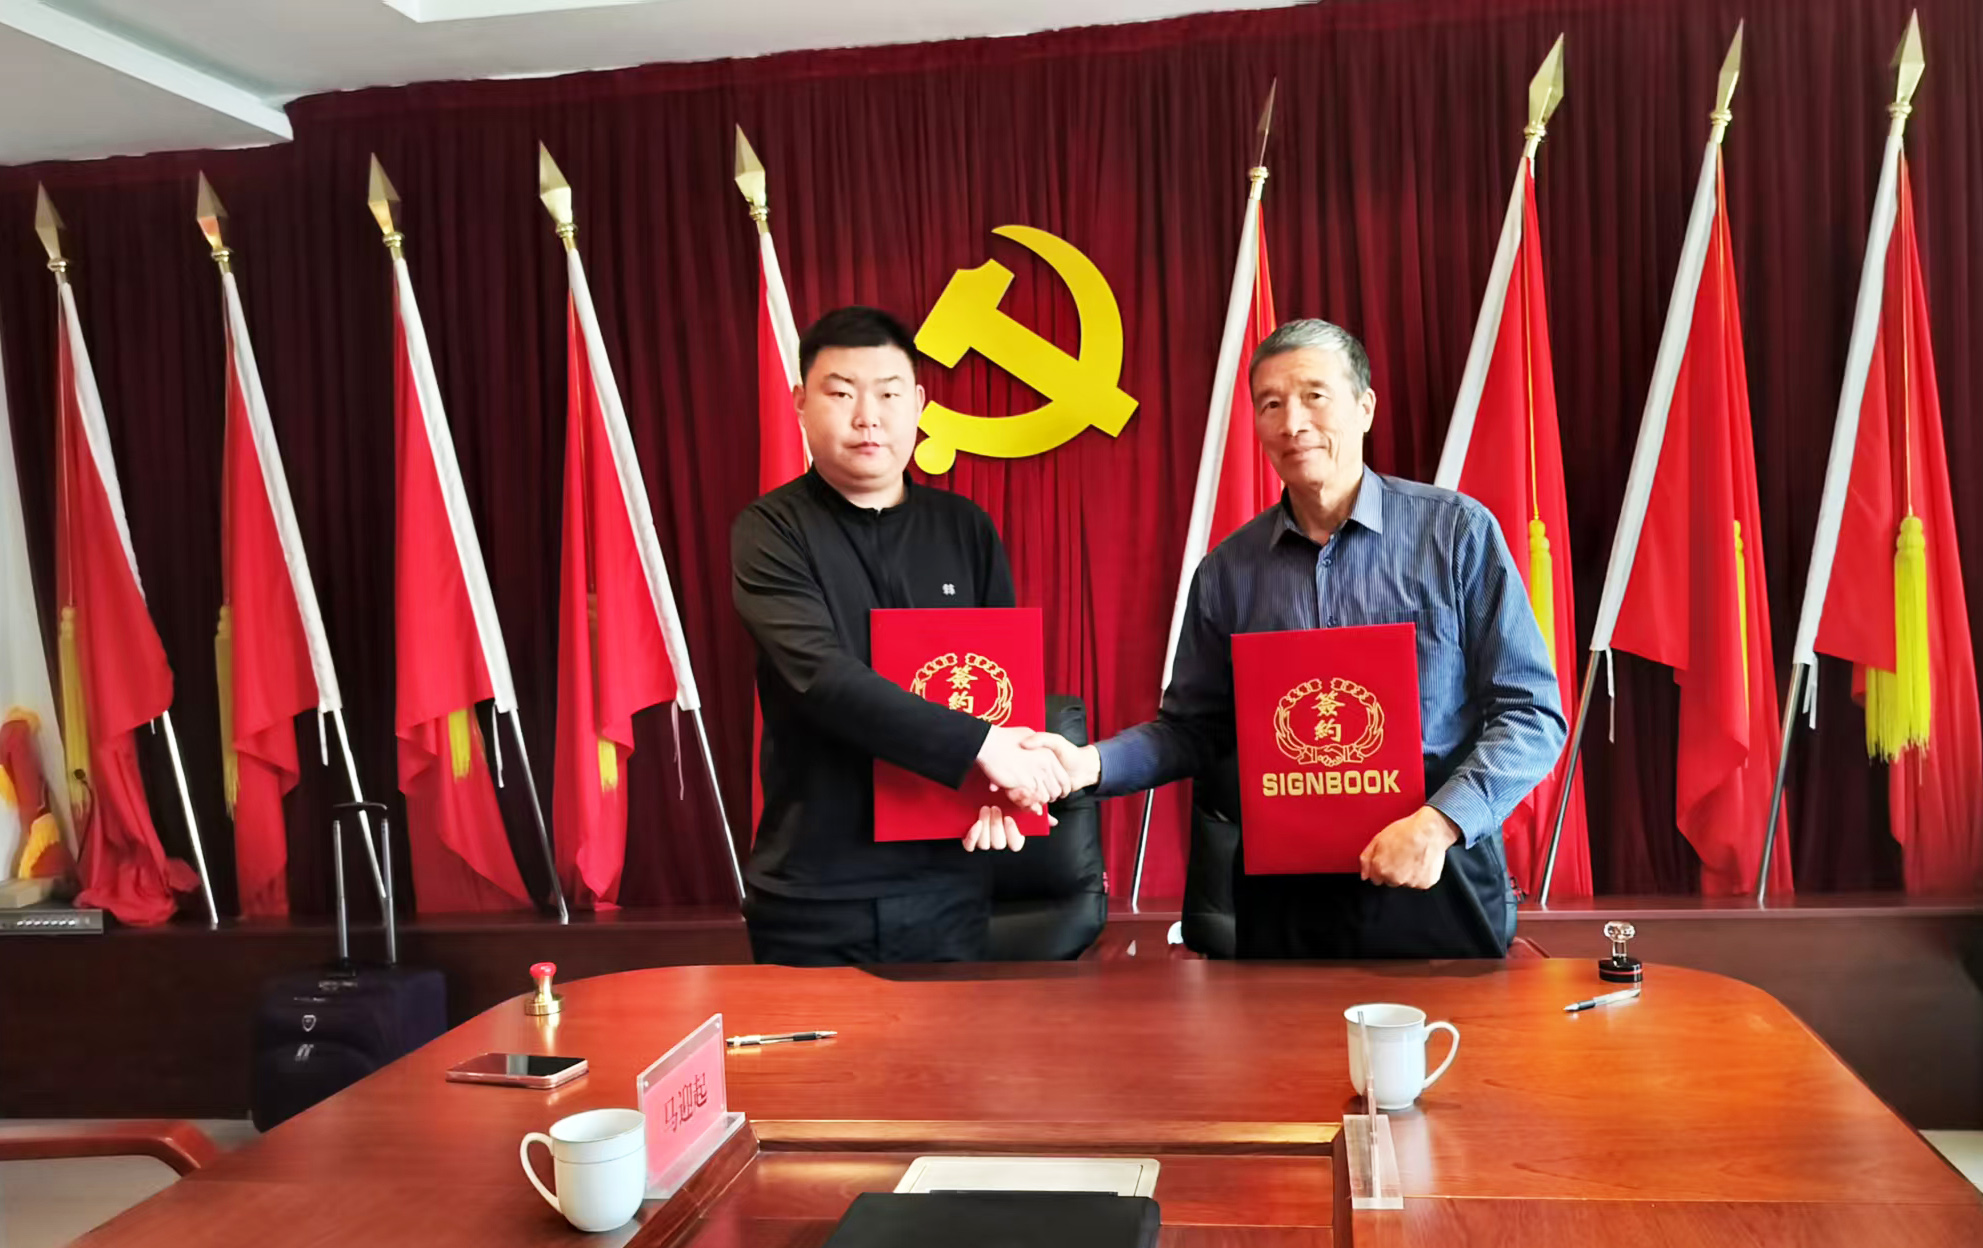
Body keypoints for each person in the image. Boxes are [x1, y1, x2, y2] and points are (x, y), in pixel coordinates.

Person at [983, 318, 1567, 958]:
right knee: (1278, 1029)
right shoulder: (1229, 571)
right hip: (1285, 890)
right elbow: (1193, 729)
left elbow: (1531, 714)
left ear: (1365, 407)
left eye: (1315, 396)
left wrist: (1441, 823)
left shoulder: (1455, 534)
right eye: (1270, 404)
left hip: (1432, 863)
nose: (1292, 422)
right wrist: (1086, 764)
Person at [732, 305, 1069, 967]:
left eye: (887, 394)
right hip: (815, 889)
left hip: (946, 883)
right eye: (840, 394)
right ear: (800, 403)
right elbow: (821, 677)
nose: (867, 417)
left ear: (917, 403)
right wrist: (981, 747)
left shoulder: (964, 528)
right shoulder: (770, 531)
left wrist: (1002, 796)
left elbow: (1001, 687)